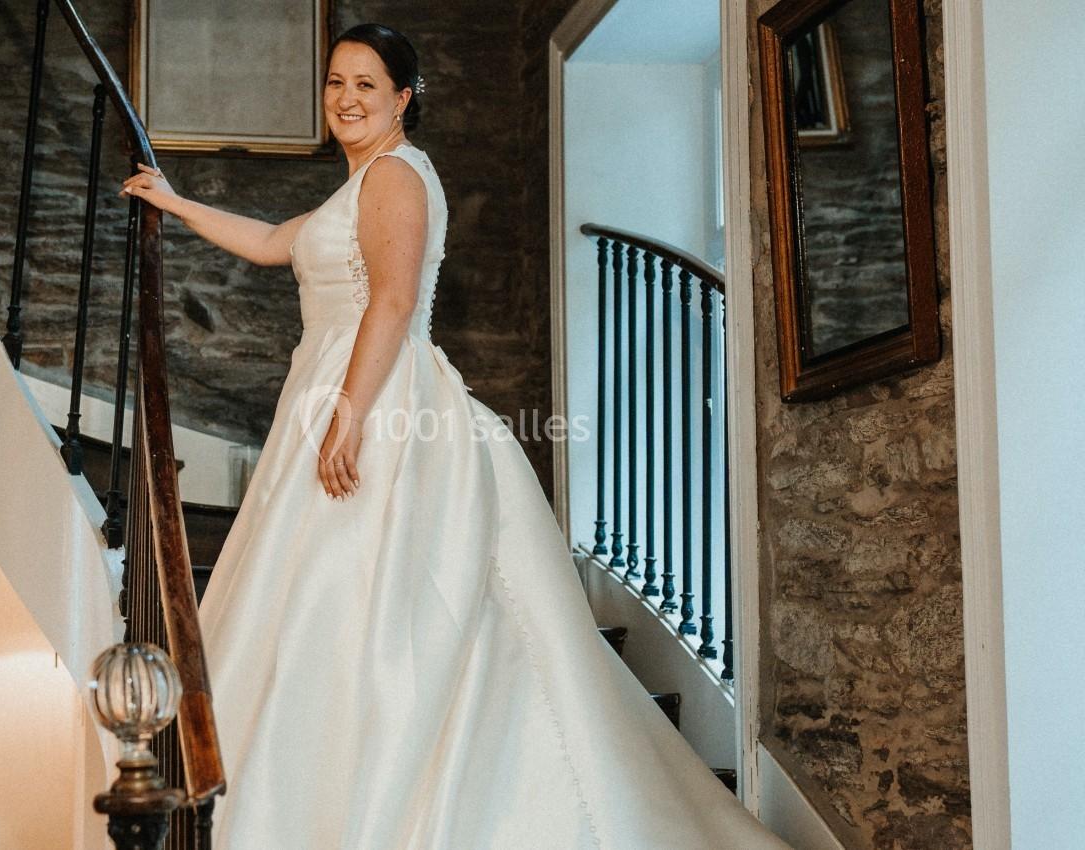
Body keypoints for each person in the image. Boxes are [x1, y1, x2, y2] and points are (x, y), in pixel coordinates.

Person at [119, 22, 790, 850]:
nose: (346, 98)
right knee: (321, 602)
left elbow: (394, 302)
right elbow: (269, 243)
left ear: (402, 98)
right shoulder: (355, 186)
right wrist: (174, 200)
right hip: (335, 384)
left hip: (377, 400)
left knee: (364, 597)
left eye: (367, 84)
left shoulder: (397, 175)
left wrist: (348, 417)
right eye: (335, 82)